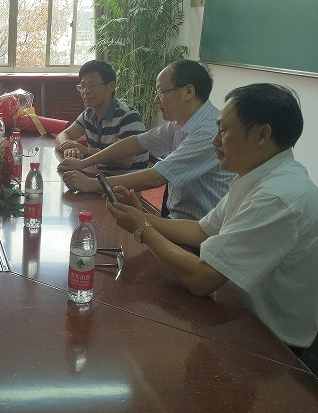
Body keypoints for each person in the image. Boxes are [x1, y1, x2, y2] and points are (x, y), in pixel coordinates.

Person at [107, 83, 318, 353]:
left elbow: (201, 279)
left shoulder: (277, 197)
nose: (215, 141)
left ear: (262, 135)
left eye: (224, 130)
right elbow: (202, 230)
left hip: (271, 344)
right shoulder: (259, 175)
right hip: (235, 314)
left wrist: (142, 229)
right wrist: (141, 215)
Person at [58, 59, 234, 220]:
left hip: (200, 233)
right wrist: (83, 163)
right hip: (176, 220)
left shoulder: (209, 131)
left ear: (188, 91)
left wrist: (91, 184)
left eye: (161, 92)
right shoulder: (180, 124)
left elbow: (156, 177)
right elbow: (135, 143)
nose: (156, 99)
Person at [55, 59, 148, 175]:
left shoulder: (128, 116)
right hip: (100, 177)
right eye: (82, 86)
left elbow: (125, 161)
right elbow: (62, 135)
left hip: (126, 183)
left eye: (92, 85)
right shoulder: (88, 114)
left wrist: (87, 151)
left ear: (111, 86)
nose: (86, 91)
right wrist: (69, 147)